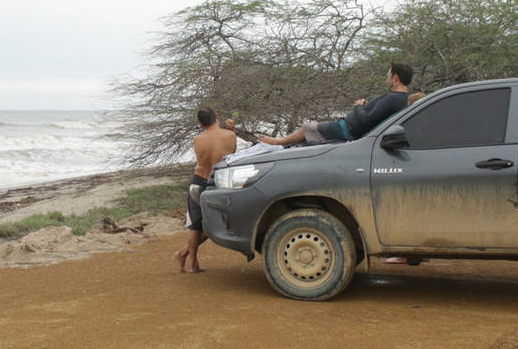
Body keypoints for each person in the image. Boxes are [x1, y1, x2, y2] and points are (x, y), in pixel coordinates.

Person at [258, 63, 414, 147]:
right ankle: (282, 142)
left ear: (395, 79)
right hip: (347, 127)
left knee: (307, 127)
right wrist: (365, 105)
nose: (386, 79)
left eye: (388, 76)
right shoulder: (399, 99)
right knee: (309, 135)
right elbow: (376, 114)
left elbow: (367, 119)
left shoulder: (393, 98)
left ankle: (277, 142)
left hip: (346, 130)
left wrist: (358, 106)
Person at [175, 108, 236, 273]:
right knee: (217, 223)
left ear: (200, 124)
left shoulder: (197, 139)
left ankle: (190, 259)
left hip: (198, 182)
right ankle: (186, 256)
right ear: (217, 117)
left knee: (195, 225)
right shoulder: (230, 136)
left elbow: (204, 156)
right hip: (217, 183)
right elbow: (232, 154)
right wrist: (231, 129)